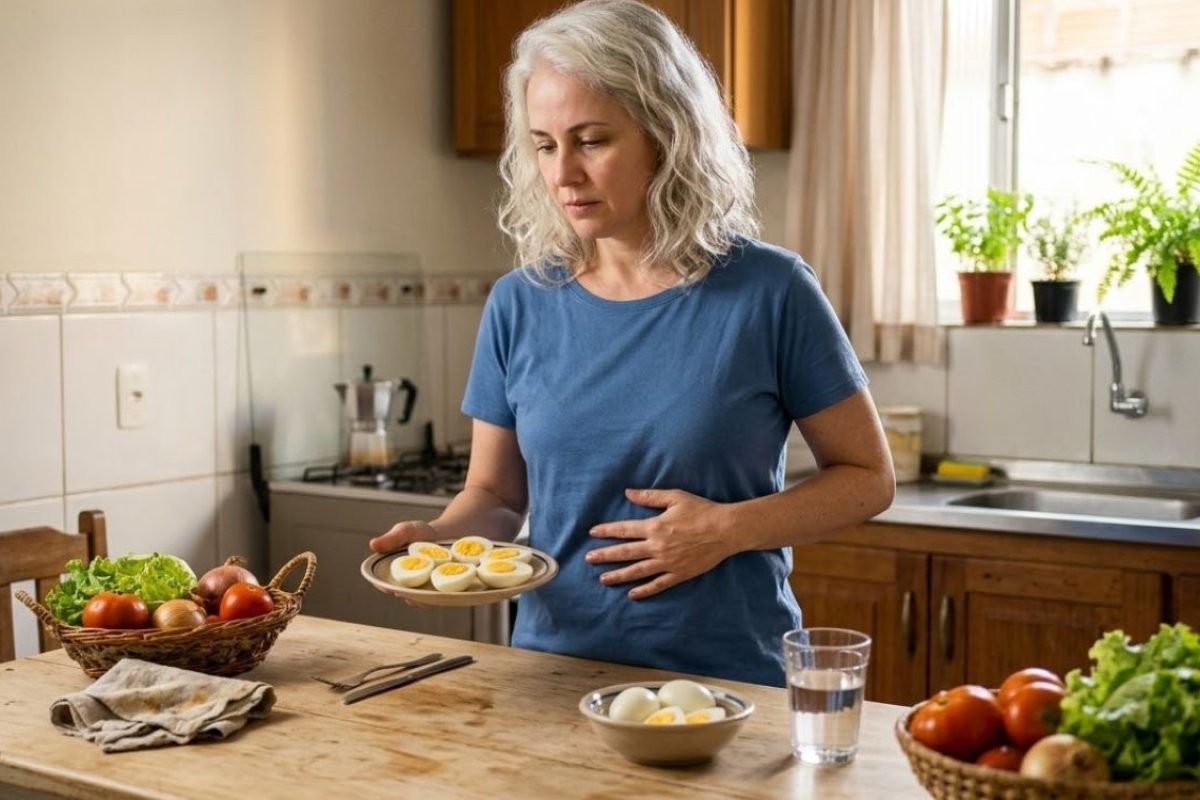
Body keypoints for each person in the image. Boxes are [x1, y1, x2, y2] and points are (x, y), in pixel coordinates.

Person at [371, 0, 895, 687]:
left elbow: (867, 479)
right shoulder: (519, 303)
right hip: (550, 677)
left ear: (666, 135)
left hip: (728, 684)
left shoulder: (770, 292)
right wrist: (441, 541)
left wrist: (726, 530)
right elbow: (497, 494)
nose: (563, 174)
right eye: (545, 144)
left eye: (591, 140)